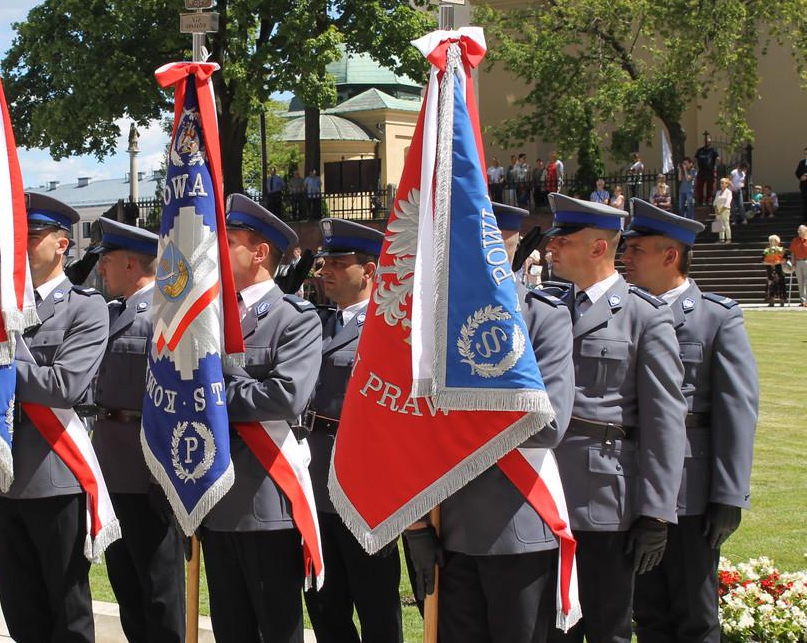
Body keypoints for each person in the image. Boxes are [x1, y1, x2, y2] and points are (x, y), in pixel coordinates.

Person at [408, 203, 574, 643]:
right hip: (449, 527)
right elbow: (414, 427)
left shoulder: (544, 317)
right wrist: (417, 524)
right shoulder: (434, 325)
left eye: (489, 244)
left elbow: (548, 424)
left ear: (510, 247)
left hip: (519, 525)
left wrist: (459, 410)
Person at [0, 193, 109, 643]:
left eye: (34, 236)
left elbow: (64, 386)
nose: (21, 246)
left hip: (54, 475)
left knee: (67, 609)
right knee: (21, 609)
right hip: (0, 473)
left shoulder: (86, 307)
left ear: (63, 245)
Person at [543, 194, 686, 643]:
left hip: (605, 498)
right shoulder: (545, 309)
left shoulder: (645, 317)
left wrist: (656, 514)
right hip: (546, 492)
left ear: (598, 248)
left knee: (607, 628)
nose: (551, 249)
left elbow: (665, 421)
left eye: (561, 241)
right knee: (549, 627)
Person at [621, 199, 759, 643]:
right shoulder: (625, 314)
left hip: (690, 492)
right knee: (648, 613)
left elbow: (737, 410)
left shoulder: (716, 318)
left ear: (670, 255)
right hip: (631, 484)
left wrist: (728, 495)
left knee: (695, 615)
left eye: (637, 249)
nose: (626, 258)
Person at [202, 194, 322, 643]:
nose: (215, 252)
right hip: (214, 492)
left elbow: (286, 396)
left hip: (265, 500)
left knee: (276, 628)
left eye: (228, 241)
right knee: (229, 628)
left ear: (259, 252)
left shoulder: (294, 320)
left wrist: (213, 393)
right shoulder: (207, 317)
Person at [302, 218, 402, 643]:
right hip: (314, 483)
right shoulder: (315, 323)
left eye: (339, 263)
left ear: (371, 271)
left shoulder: (390, 328)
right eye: (325, 262)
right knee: (325, 606)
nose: (326, 270)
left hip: (365, 489)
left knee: (376, 606)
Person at [86, 218, 186, 643]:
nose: (99, 270)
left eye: (106, 261)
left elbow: (179, 399)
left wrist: (166, 475)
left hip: (148, 469)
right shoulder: (109, 313)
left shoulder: (166, 314)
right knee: (125, 582)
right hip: (110, 468)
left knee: (159, 587)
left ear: (130, 264)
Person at [762, 235, 789, 306]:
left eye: (772, 240)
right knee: (771, 284)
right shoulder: (767, 250)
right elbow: (763, 260)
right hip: (770, 269)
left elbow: (785, 259)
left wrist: (778, 262)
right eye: (770, 240)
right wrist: (770, 262)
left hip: (779, 269)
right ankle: (771, 300)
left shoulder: (781, 250)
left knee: (781, 283)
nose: (771, 242)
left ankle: (782, 300)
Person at [694, 136, 720, 206]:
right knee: (699, 187)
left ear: (710, 142)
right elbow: (695, 159)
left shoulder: (714, 150)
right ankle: (700, 201)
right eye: (706, 141)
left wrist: (719, 160)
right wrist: (691, 165)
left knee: (710, 187)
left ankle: (709, 200)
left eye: (708, 141)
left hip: (710, 171)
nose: (707, 143)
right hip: (701, 170)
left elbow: (718, 158)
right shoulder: (700, 150)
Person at [791, 225, 807, 306]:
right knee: (800, 281)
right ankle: (803, 300)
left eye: (801, 230)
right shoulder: (795, 240)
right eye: (798, 230)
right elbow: (793, 253)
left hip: (806, 260)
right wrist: (793, 264)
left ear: (805, 230)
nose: (799, 232)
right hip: (798, 261)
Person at [714, 178, 733, 243]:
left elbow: (727, 202)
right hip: (718, 210)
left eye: (723, 183)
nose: (721, 184)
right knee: (720, 223)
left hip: (725, 210)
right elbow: (715, 202)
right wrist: (716, 210)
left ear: (727, 184)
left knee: (726, 223)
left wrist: (721, 210)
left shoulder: (728, 192)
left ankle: (728, 238)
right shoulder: (718, 192)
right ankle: (721, 238)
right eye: (721, 183)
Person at [795, 147, 807, 222]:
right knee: (805, 202)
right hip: (804, 186)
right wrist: (801, 177)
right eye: (805, 153)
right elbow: (797, 172)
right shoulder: (802, 162)